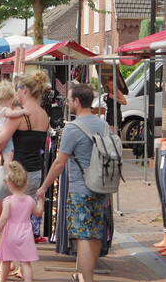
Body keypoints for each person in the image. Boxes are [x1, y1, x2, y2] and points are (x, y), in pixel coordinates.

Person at [36, 84, 110, 282]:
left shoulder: (72, 128)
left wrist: (44, 187)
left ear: (77, 101)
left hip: (80, 188)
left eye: (68, 99)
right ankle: (88, 276)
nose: (67, 103)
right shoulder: (103, 125)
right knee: (94, 234)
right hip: (101, 186)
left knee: (82, 236)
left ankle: (87, 279)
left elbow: (59, 162)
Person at [0, 70, 49, 279]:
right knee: (26, 220)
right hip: (35, 170)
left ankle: (8, 260)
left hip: (14, 171)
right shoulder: (43, 114)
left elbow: (0, 141)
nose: (17, 93)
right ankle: (22, 266)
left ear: (26, 90)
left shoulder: (21, 112)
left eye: (19, 89)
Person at [0, 161, 44, 282]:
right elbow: (38, 213)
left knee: (6, 260)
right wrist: (41, 201)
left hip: (10, 233)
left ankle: (2, 280)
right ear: (26, 183)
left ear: (9, 184)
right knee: (25, 262)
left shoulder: (8, 200)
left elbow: (4, 218)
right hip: (25, 233)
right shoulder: (29, 200)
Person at [0, 81, 30, 168]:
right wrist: (23, 112)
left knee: (2, 155)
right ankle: (8, 175)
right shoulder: (6, 109)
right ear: (11, 99)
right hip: (4, 137)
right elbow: (11, 115)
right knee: (8, 158)